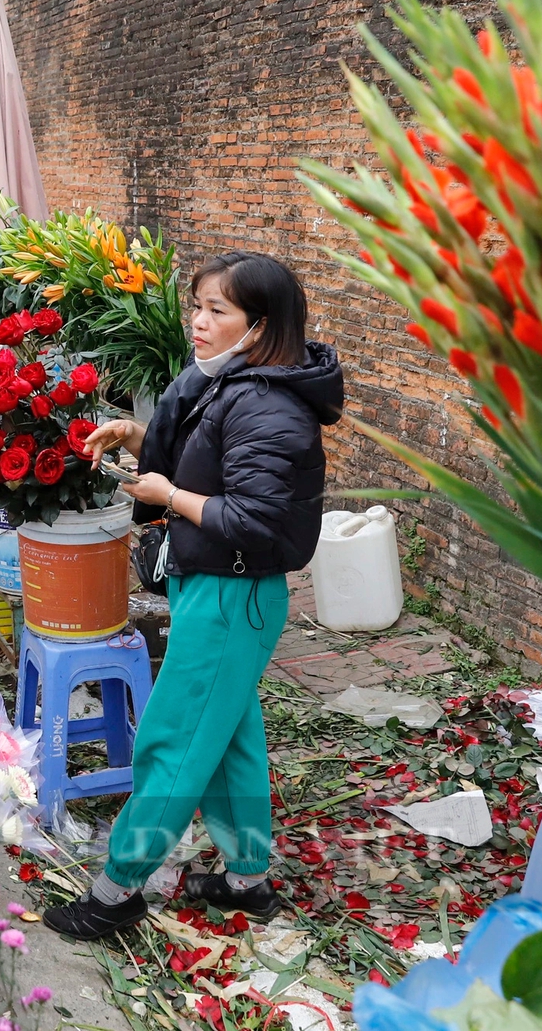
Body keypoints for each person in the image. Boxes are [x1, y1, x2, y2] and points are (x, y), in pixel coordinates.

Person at [44, 252, 343, 938]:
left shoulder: (271, 405)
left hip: (231, 596)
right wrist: (140, 437)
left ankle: (116, 891)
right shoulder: (242, 381)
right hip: (220, 589)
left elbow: (256, 518)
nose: (198, 323)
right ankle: (247, 881)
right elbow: (220, 463)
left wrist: (169, 495)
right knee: (229, 740)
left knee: (175, 743)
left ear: (259, 325)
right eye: (197, 306)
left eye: (218, 311)